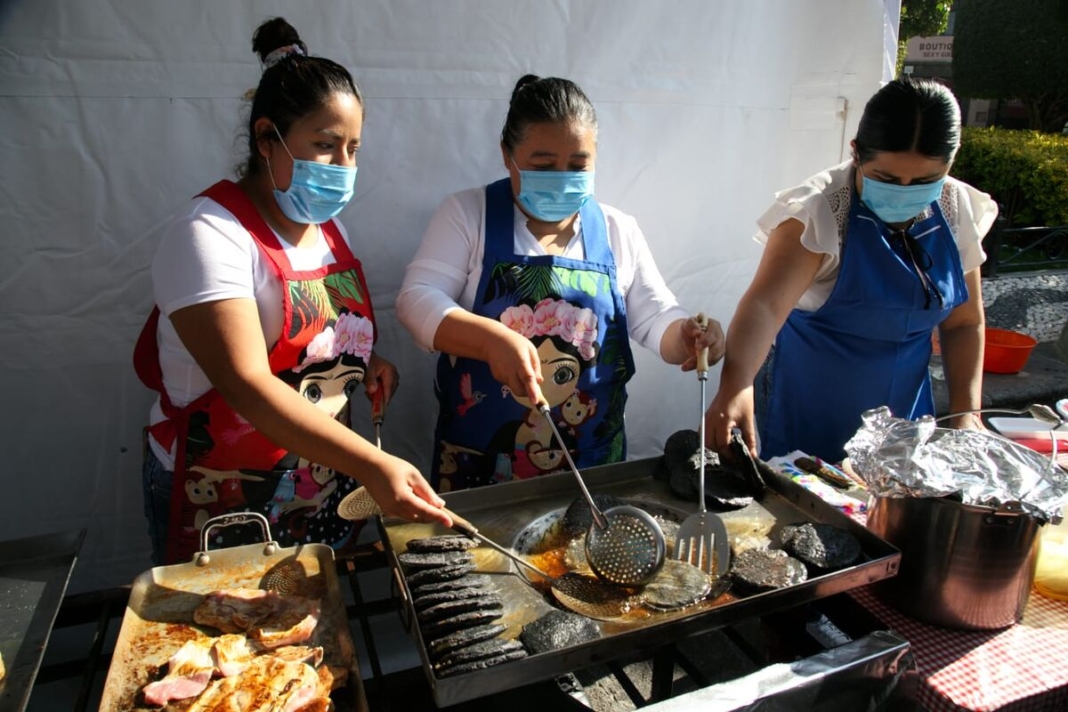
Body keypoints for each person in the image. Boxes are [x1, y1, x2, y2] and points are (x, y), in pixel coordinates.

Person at [134, 17, 448, 565]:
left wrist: (361, 360)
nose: (344, 166)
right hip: (223, 490)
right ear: (266, 138)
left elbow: (310, 336)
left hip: (318, 480)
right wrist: (373, 464)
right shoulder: (208, 235)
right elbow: (248, 385)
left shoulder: (329, 230)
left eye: (353, 148)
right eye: (325, 145)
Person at [397, 74, 725, 492]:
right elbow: (417, 300)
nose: (562, 178)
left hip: (591, 463)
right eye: (543, 166)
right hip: (480, 468)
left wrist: (688, 336)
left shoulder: (616, 229)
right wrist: (490, 341)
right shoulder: (468, 214)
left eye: (577, 166)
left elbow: (654, 316)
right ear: (507, 155)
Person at [704, 78, 997, 463]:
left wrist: (966, 414)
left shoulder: (956, 207)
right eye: (886, 179)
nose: (904, 191)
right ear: (856, 152)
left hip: (905, 414)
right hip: (809, 403)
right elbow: (764, 307)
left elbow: (963, 323)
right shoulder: (819, 211)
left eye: (924, 182)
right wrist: (736, 385)